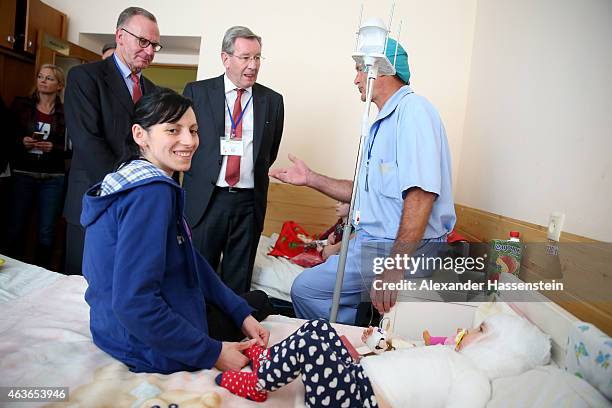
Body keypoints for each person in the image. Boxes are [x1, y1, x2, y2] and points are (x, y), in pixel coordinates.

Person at [81, 88, 274, 374]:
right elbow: (134, 302)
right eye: (173, 130)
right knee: (261, 301)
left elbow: (190, 258)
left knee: (247, 306)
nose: (189, 141)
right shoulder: (152, 193)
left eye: (193, 130)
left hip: (109, 329)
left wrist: (239, 313)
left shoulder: (128, 177)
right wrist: (214, 353)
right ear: (140, 135)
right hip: (145, 344)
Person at [270, 38, 456, 323]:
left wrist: (395, 265)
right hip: (372, 243)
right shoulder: (381, 123)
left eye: (360, 69)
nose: (355, 79)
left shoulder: (414, 111)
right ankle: (357, 335)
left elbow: (421, 195)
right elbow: (363, 192)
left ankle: (344, 348)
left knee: (305, 290)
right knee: (315, 287)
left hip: (400, 248)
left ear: (381, 71)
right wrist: (311, 179)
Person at [215, 314, 551, 407]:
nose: (468, 330)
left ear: (495, 348)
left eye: (480, 329)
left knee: (316, 333)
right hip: (356, 378)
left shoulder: (473, 379)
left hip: (361, 400)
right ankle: (272, 364)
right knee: (327, 334)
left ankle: (260, 384)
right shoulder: (451, 357)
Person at [182, 26, 284, 294]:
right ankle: (197, 332)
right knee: (197, 278)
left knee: (237, 284)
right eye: (245, 57)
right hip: (207, 200)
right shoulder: (196, 93)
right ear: (226, 59)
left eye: (258, 58)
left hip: (248, 203)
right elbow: (182, 143)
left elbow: (268, 153)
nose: (253, 66)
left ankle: (232, 332)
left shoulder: (272, 101)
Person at [63, 7, 159, 275]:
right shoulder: (85, 78)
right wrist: (129, 190)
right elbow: (87, 141)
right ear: (120, 35)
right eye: (143, 42)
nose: (150, 51)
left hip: (138, 209)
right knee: (81, 289)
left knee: (123, 285)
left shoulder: (152, 92)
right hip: (96, 199)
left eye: (154, 45)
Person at [2, 64, 66, 268]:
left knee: (46, 230)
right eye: (40, 76)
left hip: (53, 177)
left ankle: (43, 274)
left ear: (59, 85)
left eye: (49, 78)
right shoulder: (21, 105)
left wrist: (53, 147)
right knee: (15, 226)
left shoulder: (66, 112)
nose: (43, 81)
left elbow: (72, 147)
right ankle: (10, 274)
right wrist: (21, 141)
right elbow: (5, 137)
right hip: (23, 173)